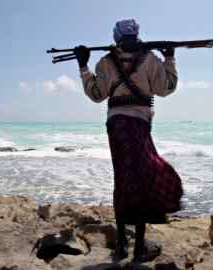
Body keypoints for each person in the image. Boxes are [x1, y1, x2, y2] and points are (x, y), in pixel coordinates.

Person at [74, 19, 183, 262]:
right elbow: (166, 88)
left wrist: (83, 66)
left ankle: (122, 245)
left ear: (116, 38)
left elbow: (96, 95)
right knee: (144, 178)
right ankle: (140, 247)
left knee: (122, 180)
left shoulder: (105, 63)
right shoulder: (151, 59)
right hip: (139, 126)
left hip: (116, 127)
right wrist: (170, 59)